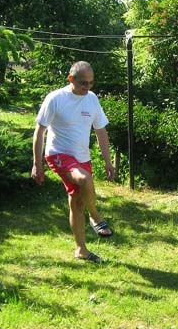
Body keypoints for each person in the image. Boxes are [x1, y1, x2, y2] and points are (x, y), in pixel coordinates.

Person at [31, 61, 115, 263]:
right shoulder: (55, 99)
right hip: (58, 154)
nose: (87, 87)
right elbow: (39, 132)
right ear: (71, 79)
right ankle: (96, 216)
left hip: (82, 156)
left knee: (77, 202)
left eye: (91, 83)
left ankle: (81, 250)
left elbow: (100, 131)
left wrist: (108, 161)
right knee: (85, 180)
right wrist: (37, 163)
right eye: (83, 83)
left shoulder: (92, 99)